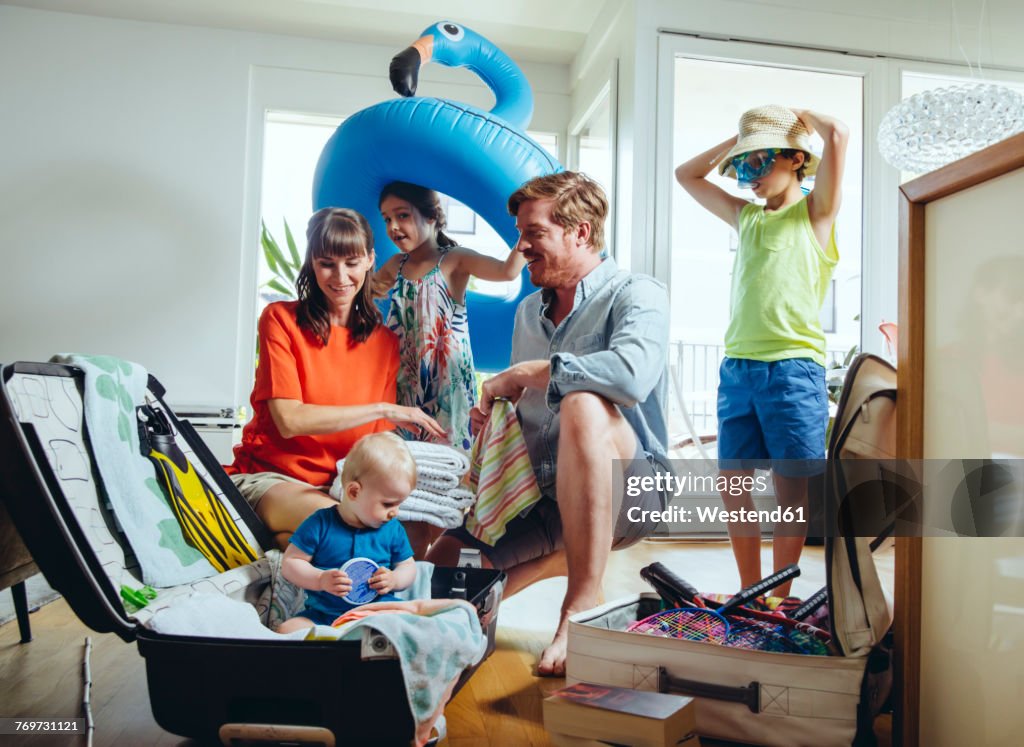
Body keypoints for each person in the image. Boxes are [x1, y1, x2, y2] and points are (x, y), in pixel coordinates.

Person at [426, 171, 672, 677]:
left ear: (580, 231)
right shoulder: (526, 315)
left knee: (583, 402)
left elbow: (630, 376)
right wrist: (496, 421)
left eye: (533, 232)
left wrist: (525, 374)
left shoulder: (637, 294)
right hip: (542, 496)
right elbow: (529, 411)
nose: (521, 245)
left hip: (632, 488)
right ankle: (557, 561)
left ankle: (580, 605)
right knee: (447, 569)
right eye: (521, 232)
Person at [674, 105, 848, 596]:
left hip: (793, 370)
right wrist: (741, 141)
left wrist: (801, 117)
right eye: (741, 165)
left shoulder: (815, 214)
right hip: (739, 371)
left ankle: (779, 592)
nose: (748, 177)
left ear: (795, 159)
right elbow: (685, 174)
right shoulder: (746, 217)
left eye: (759, 163)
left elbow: (839, 132)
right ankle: (750, 590)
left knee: (791, 489)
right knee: (734, 485)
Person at [226, 207, 444, 549]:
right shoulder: (280, 319)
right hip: (272, 480)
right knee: (346, 529)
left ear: (370, 260)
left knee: (411, 537)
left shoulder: (384, 343)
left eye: (351, 262)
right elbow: (290, 420)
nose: (340, 276)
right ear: (312, 263)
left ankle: (290, 544)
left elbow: (373, 449)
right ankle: (305, 543)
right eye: (327, 263)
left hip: (340, 490)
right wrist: (383, 409)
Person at [374, 181, 527, 453]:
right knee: (401, 460)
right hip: (404, 385)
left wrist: (527, 232)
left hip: (447, 386)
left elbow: (506, 272)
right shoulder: (395, 265)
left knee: (451, 458)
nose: (393, 226)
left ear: (431, 216)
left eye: (402, 215)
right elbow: (361, 297)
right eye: (387, 219)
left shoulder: (454, 260)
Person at [277, 432, 418, 633]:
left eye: (399, 503)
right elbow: (291, 563)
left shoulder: (392, 529)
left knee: (409, 623)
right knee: (286, 630)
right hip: (325, 616)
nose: (395, 512)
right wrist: (320, 579)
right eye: (388, 504)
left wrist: (395, 579)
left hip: (377, 612)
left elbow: (408, 567)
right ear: (354, 492)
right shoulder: (320, 523)